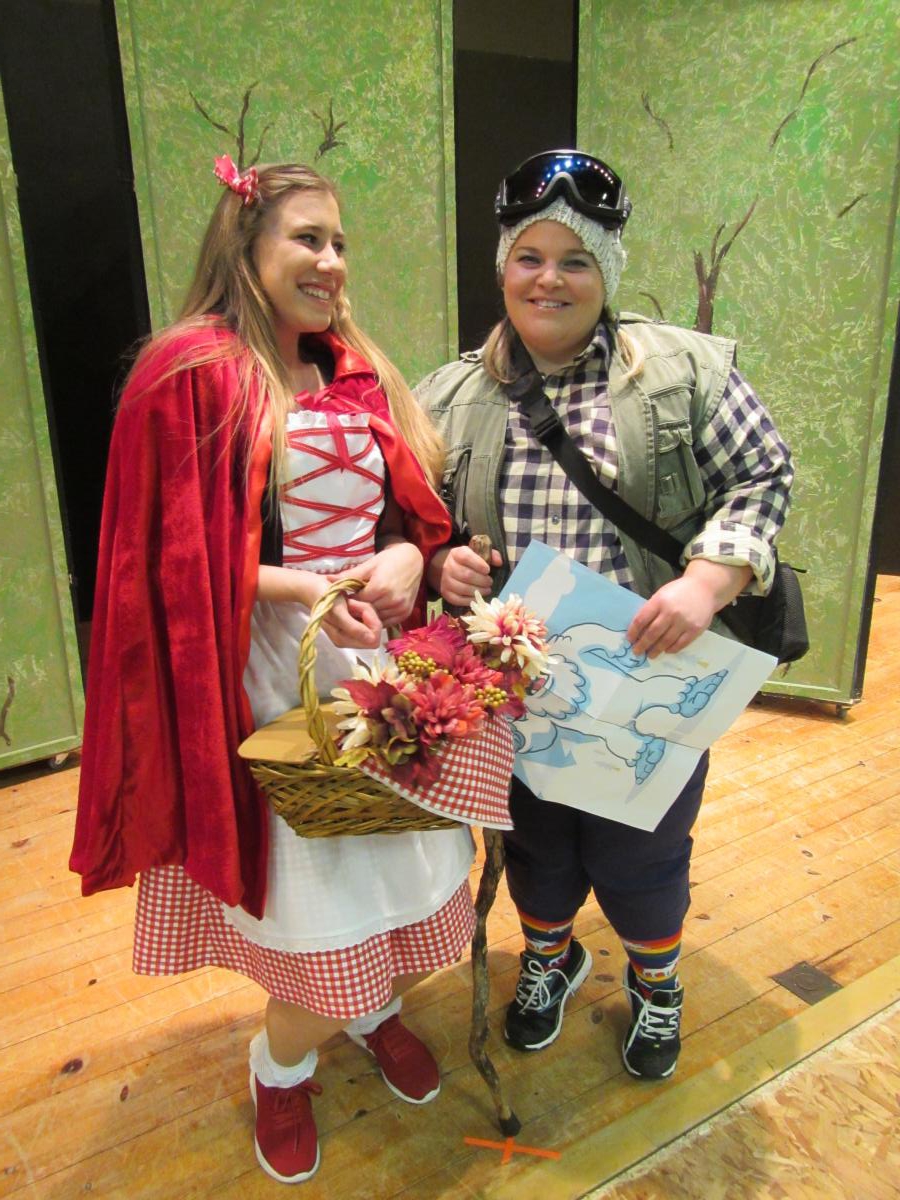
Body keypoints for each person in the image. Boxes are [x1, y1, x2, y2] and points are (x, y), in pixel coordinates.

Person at [69, 156, 477, 1184]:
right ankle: (281, 1066)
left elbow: (402, 517)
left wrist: (406, 557)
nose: (331, 261)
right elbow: (158, 557)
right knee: (317, 898)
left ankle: (370, 1011)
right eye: (307, 238)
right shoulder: (188, 371)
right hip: (259, 670)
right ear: (245, 245)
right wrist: (297, 588)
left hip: (374, 663)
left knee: (395, 868)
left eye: (339, 242)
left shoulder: (353, 367)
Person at [416, 149, 793, 1082]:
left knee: (642, 853)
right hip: (514, 692)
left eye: (575, 260)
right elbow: (415, 519)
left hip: (648, 677)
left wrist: (707, 581)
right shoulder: (448, 394)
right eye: (529, 257)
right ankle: (551, 959)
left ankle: (656, 982)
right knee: (535, 844)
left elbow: (762, 475)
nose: (549, 280)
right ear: (503, 267)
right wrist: (439, 562)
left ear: (607, 271)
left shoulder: (681, 373)